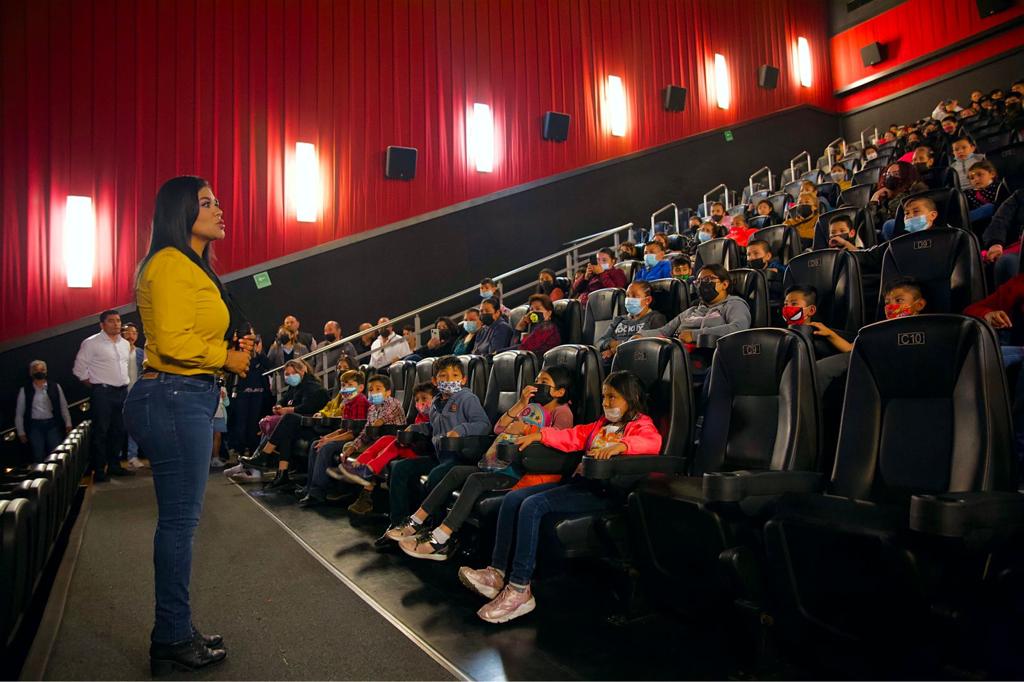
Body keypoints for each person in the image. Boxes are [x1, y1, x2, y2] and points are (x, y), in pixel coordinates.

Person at [123, 176, 253, 672]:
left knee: (181, 522)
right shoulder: (171, 265)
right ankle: (171, 636)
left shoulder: (190, 266)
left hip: (184, 394)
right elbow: (176, 341)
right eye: (206, 202)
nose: (219, 209)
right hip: (175, 395)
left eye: (218, 200)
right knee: (180, 524)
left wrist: (230, 355)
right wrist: (227, 357)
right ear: (181, 212)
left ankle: (175, 626)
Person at [460, 370, 662, 623]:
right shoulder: (600, 425)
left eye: (613, 397)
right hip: (580, 485)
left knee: (533, 505)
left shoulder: (640, 425)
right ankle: (497, 572)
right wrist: (539, 434)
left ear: (631, 399)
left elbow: (652, 443)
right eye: (604, 397)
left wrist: (622, 446)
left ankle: (520, 589)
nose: (606, 403)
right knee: (514, 499)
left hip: (605, 492)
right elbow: (572, 435)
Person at [395, 369, 576, 560]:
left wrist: (526, 428)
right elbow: (498, 428)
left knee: (475, 479)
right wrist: (522, 403)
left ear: (560, 391)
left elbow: (558, 439)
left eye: (544, 381)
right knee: (457, 472)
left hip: (520, 470)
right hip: (500, 463)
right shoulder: (531, 407)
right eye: (537, 380)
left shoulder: (562, 412)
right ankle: (416, 521)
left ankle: (441, 538)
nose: (537, 384)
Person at [378, 356, 492, 546]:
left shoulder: (467, 398)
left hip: (460, 458)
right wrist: (415, 429)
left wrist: (461, 431)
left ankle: (432, 528)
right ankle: (398, 524)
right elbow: (432, 427)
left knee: (435, 475)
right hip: (439, 456)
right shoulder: (436, 402)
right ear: (435, 381)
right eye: (443, 376)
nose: (449, 380)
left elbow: (483, 424)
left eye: (455, 375)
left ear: (463, 380)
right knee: (399, 467)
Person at [308, 383, 436, 511]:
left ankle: (368, 470)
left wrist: (408, 437)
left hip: (422, 453)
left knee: (393, 444)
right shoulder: (416, 416)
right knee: (385, 439)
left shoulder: (399, 406)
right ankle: (359, 465)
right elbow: (365, 432)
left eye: (424, 399)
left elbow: (426, 437)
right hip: (409, 446)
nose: (420, 403)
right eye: (417, 400)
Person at [239, 359, 331, 489]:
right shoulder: (294, 387)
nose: (289, 377)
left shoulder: (314, 387)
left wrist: (289, 410)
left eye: (292, 373)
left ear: (302, 371)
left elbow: (309, 408)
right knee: (285, 428)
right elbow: (283, 400)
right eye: (286, 374)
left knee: (288, 419)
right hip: (298, 424)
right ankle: (282, 474)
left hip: (314, 425)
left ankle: (264, 456)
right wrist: (278, 406)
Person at [963, 273, 1024, 464]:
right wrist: (988, 315)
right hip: (1020, 350)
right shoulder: (1019, 283)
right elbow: (972, 310)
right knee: (976, 357)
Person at [328, 374, 409, 514]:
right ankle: (350, 482)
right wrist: (353, 446)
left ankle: (367, 497)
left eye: (378, 389)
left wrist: (375, 423)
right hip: (376, 440)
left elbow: (381, 421)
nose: (374, 392)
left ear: (388, 392)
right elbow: (366, 431)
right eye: (371, 390)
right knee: (347, 447)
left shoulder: (393, 403)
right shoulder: (372, 408)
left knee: (375, 452)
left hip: (393, 443)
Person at [73, 309, 132, 481]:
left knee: (119, 431)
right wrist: (96, 386)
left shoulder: (125, 344)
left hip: (122, 392)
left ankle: (114, 466)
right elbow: (79, 369)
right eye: (112, 321)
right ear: (102, 324)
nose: (116, 324)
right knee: (101, 432)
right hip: (103, 392)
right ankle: (99, 470)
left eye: (119, 321)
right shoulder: (91, 343)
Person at [638, 265, 751, 346]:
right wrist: (640, 336)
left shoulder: (734, 304)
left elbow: (738, 329)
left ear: (724, 284)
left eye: (707, 279)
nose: (702, 285)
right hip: (679, 353)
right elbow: (664, 331)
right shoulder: (692, 311)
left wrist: (694, 335)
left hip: (711, 356)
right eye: (699, 281)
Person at [597, 281, 667, 366]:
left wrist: (617, 348)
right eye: (627, 296)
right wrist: (610, 344)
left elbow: (654, 346)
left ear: (648, 300)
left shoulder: (655, 318)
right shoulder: (619, 319)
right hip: (611, 360)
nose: (629, 299)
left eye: (634, 296)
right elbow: (600, 342)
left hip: (638, 362)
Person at [15, 360, 72, 463]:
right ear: (31, 372)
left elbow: (63, 406)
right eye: (36, 370)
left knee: (56, 453)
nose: (39, 372)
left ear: (46, 371)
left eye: (42, 369)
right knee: (38, 454)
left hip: (52, 424)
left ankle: (56, 477)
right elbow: (19, 413)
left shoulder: (55, 386)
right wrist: (21, 432)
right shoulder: (25, 390)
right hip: (35, 426)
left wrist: (68, 423)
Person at [871, 162, 928, 241]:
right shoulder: (884, 197)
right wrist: (875, 199)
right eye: (888, 174)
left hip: (909, 234)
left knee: (889, 225)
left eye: (896, 174)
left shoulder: (913, 194)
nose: (890, 177)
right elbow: (872, 223)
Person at [983, 189, 1024, 287]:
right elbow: (999, 220)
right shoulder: (1019, 196)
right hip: (1016, 247)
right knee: (1005, 262)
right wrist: (996, 243)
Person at [121, 322, 147, 469]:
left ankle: (132, 455)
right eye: (128, 332)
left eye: (134, 332)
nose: (131, 335)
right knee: (118, 425)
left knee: (135, 425)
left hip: (135, 392)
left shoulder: (140, 352)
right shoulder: (117, 351)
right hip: (119, 392)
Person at [965, 160, 1008, 224]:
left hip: (999, 214)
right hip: (979, 222)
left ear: (992, 174)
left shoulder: (1000, 186)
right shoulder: (969, 193)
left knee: (990, 207)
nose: (976, 179)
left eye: (979, 175)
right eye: (972, 178)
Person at [210, 386, 229, 469]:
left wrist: (224, 397)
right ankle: (212, 458)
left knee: (218, 437)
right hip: (209, 414)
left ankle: (215, 458)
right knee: (210, 437)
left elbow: (227, 403)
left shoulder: (222, 388)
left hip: (219, 414)